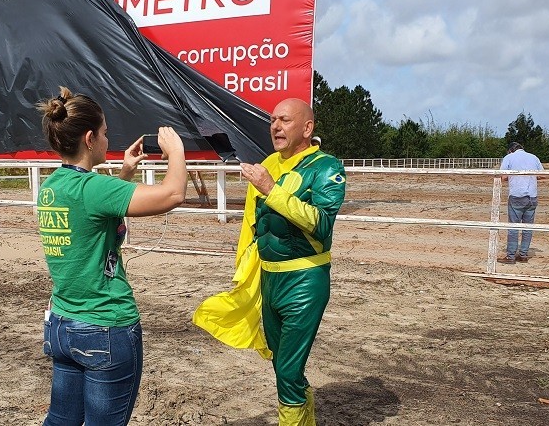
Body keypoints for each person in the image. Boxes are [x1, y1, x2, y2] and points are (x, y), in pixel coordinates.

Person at [35, 86, 187, 424]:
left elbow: (92, 216)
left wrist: (126, 171)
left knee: (61, 420)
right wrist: (176, 151)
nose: (108, 139)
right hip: (105, 325)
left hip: (62, 323)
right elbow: (173, 194)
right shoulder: (94, 189)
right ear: (89, 138)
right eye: (104, 133)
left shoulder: (51, 187)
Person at [193, 98, 346, 425]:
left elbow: (321, 224)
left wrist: (270, 189)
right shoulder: (267, 164)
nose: (275, 126)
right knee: (282, 365)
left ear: (307, 128)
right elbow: (253, 226)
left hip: (304, 280)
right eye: (273, 120)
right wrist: (243, 271)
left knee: (288, 370)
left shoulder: (326, 167)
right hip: (269, 279)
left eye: (285, 120)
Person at [498, 141, 544, 264]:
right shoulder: (534, 157)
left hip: (517, 196)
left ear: (510, 150)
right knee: (527, 227)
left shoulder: (509, 157)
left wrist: (514, 177)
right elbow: (542, 175)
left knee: (513, 227)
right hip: (532, 196)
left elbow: (503, 177)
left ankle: (511, 256)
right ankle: (523, 254)